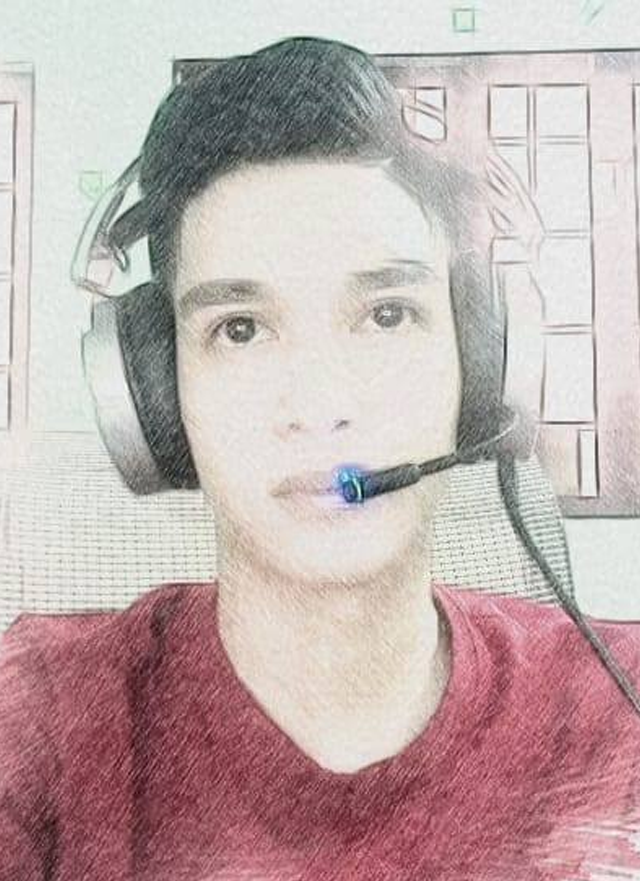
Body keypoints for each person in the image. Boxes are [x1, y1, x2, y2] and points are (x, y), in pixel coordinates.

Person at [1, 36, 639, 881]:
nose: (322, 403)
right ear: (154, 393)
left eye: (386, 314)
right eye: (240, 329)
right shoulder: (38, 717)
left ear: (484, 361)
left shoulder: (619, 708)